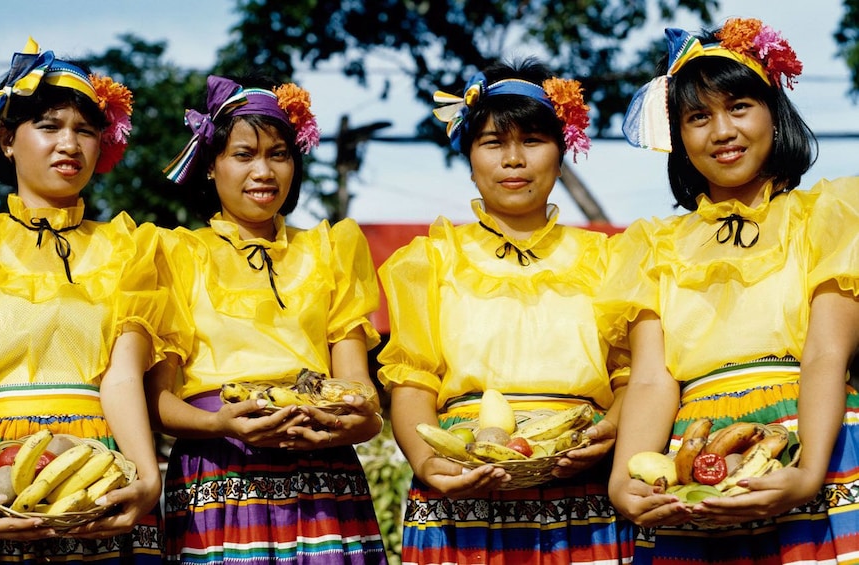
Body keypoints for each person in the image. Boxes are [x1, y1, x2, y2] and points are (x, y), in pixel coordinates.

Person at [602, 17, 859, 563]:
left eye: (739, 107)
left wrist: (809, 469)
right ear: (677, 135)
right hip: (695, 460)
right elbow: (651, 378)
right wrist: (625, 481)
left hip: (817, 440)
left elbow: (825, 354)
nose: (722, 131)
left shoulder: (827, 216)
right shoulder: (651, 245)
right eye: (698, 116)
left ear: (774, 113)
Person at [0, 38, 166, 563]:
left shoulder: (128, 248)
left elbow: (120, 379)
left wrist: (145, 478)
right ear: (6, 139)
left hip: (99, 469)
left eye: (85, 130)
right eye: (49, 126)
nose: (69, 143)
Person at [376, 59, 633, 565]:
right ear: (468, 158)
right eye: (493, 143)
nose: (513, 160)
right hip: (460, 487)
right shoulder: (430, 261)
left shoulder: (610, 259)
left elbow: (631, 376)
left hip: (580, 487)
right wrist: (428, 463)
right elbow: (413, 382)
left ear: (562, 155)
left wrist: (608, 433)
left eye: (533, 141)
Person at [145, 74, 387, 564]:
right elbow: (158, 403)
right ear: (210, 166)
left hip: (324, 480)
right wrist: (220, 424)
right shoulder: (175, 254)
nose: (264, 171)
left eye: (279, 154)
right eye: (243, 154)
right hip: (219, 477)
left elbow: (362, 400)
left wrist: (348, 423)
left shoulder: (329, 250)